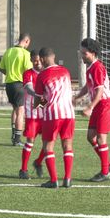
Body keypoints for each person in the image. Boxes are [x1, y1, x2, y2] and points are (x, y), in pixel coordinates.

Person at [33, 47, 75, 189]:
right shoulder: (66, 71)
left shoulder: (42, 75)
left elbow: (38, 101)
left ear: (43, 59)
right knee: (67, 146)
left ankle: (53, 180)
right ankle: (68, 179)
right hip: (69, 113)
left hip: (53, 114)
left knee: (48, 147)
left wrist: (43, 105)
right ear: (54, 56)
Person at [75, 38, 110, 182]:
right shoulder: (90, 67)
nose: (82, 55)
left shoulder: (97, 67)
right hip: (99, 105)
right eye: (81, 52)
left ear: (93, 53)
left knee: (100, 138)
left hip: (105, 104)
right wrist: (77, 97)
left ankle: (105, 172)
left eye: (84, 53)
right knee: (90, 137)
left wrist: (89, 107)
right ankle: (107, 164)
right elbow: (88, 86)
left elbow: (99, 91)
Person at [0, 33, 33, 146]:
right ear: (27, 41)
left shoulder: (8, 51)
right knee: (21, 112)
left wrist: (10, 73)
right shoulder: (25, 53)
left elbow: (2, 69)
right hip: (19, 85)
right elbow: (28, 71)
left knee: (15, 109)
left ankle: (14, 135)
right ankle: (17, 140)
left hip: (9, 84)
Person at [18, 50, 45, 179]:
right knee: (30, 140)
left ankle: (39, 162)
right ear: (31, 60)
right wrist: (38, 95)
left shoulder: (47, 73)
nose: (38, 62)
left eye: (39, 60)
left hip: (46, 114)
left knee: (48, 141)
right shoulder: (28, 73)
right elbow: (29, 87)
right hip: (32, 113)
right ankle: (23, 169)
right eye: (35, 60)